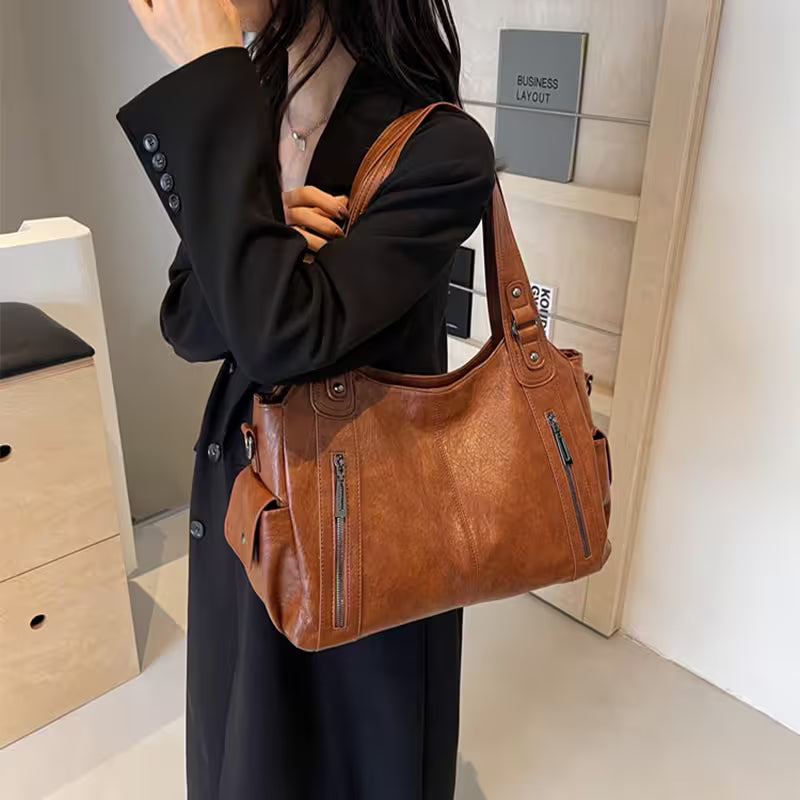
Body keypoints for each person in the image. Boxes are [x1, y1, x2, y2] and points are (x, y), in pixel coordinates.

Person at [118, 1, 496, 798]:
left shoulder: (439, 146)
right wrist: (261, 235)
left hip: (369, 527)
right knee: (244, 747)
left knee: (350, 761)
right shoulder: (254, 107)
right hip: (249, 504)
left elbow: (279, 338)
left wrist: (212, 70)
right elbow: (186, 322)